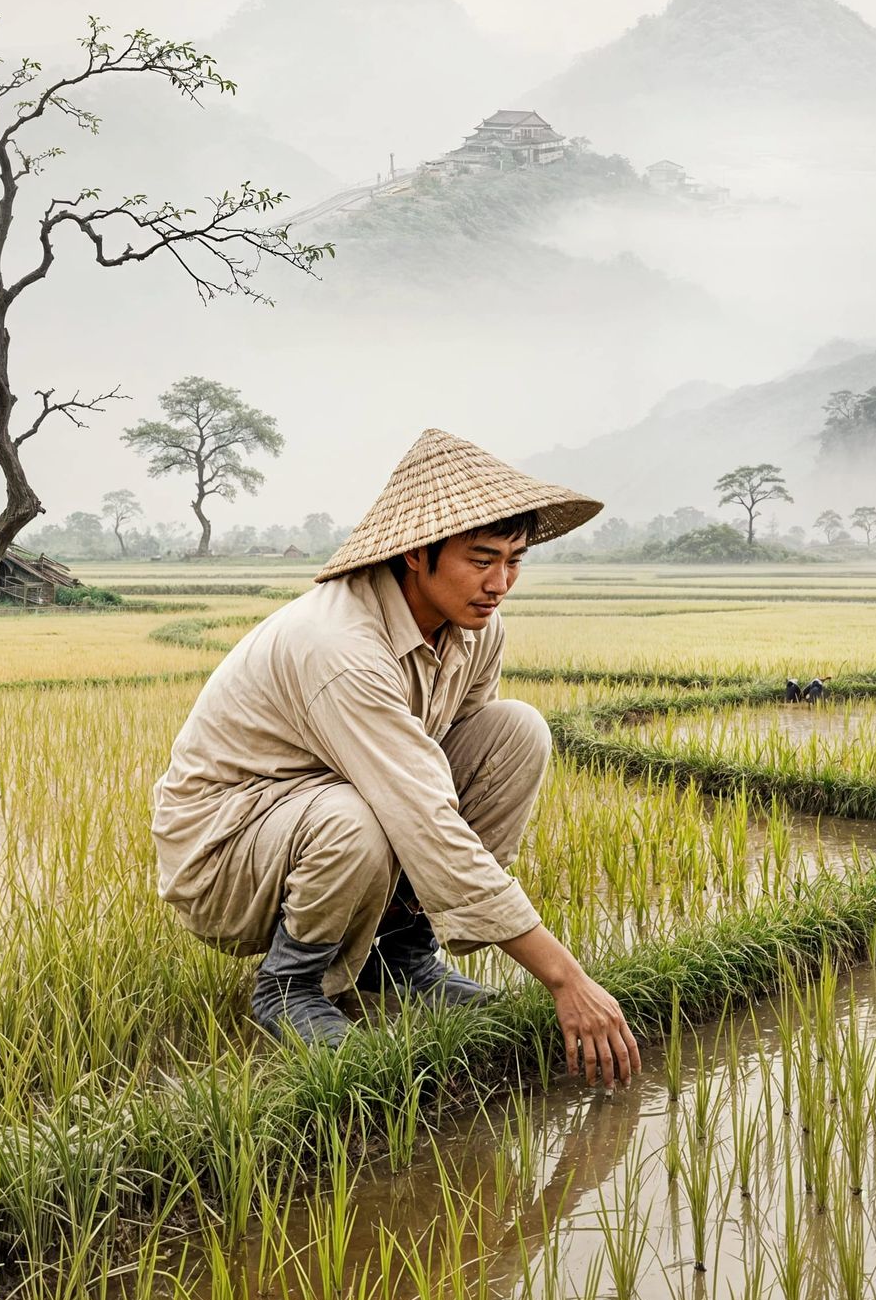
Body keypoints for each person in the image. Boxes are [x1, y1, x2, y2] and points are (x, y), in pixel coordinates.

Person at [150, 427, 642, 1088]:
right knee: (354, 813)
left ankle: (402, 955)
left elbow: (453, 767)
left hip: (330, 813)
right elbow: (422, 814)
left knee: (516, 731)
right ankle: (292, 983)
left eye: (516, 559)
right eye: (482, 558)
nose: (501, 583)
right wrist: (565, 976)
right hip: (229, 850)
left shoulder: (475, 629)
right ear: (417, 554)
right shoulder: (338, 645)